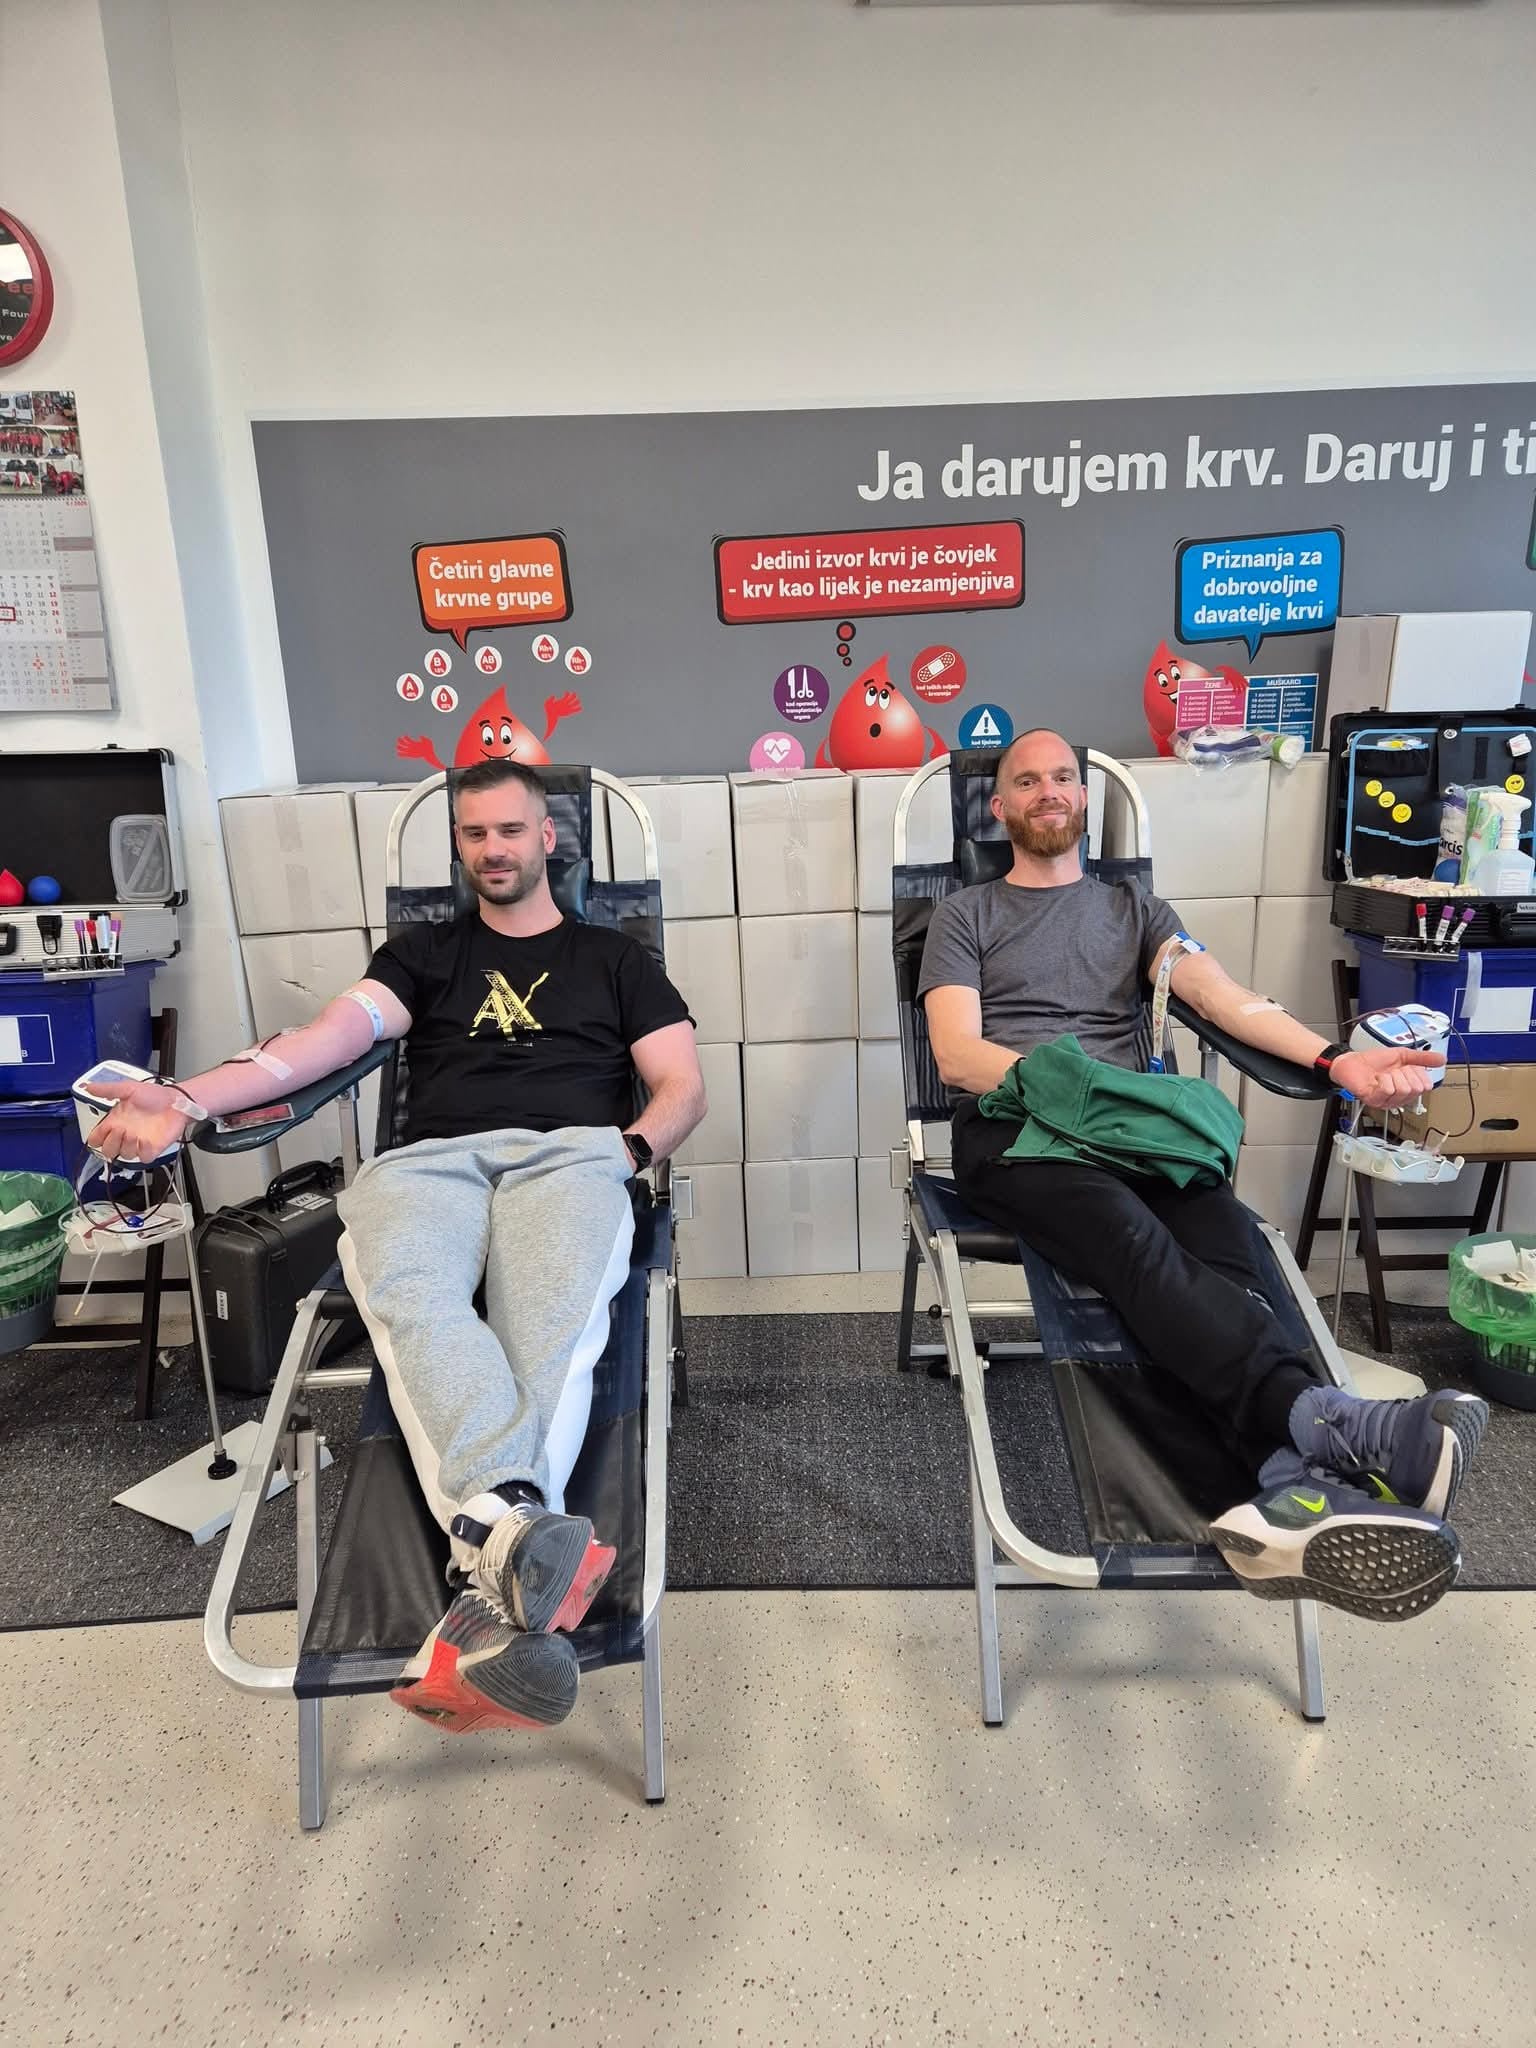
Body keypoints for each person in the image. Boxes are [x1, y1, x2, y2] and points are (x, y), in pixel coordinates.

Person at [89, 759, 706, 1730]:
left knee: (546, 1325)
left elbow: (681, 1088)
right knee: (411, 1294)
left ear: (549, 838)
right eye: (474, 833)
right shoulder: (422, 954)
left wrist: (623, 1153)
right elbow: (320, 1043)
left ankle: (488, 1553)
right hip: (430, 1164)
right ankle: (509, 1549)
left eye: (511, 829)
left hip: (572, 1156)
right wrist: (185, 1097)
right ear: (459, 845)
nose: (493, 849)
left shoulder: (615, 959)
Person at [919, 727, 1487, 1621]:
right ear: (999, 808)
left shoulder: (1137, 912)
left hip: (1133, 1131)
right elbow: (957, 1054)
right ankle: (1331, 1421)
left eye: (1063, 777)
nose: (1048, 791)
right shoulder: (966, 915)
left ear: (1083, 799)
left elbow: (1224, 999)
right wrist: (1075, 1088)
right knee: (1134, 1243)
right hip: (1017, 1128)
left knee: (1232, 1255)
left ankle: (1288, 1482)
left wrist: (1338, 1060)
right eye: (1027, 781)